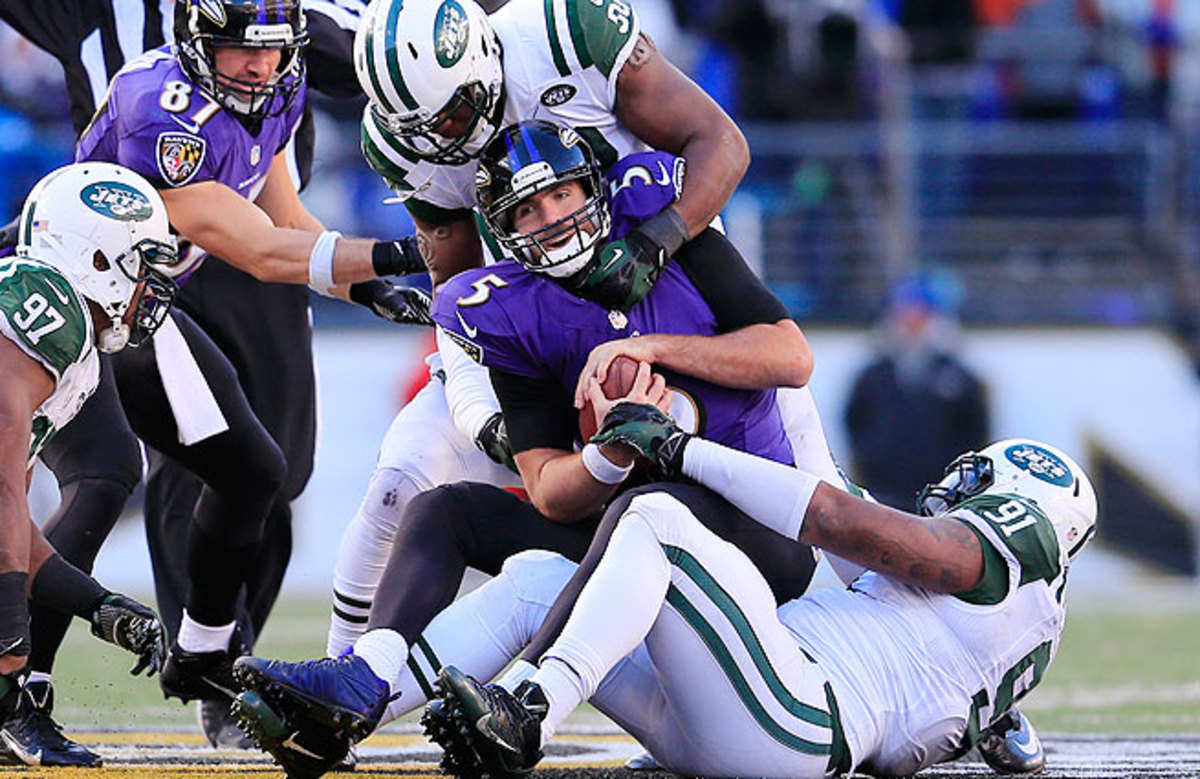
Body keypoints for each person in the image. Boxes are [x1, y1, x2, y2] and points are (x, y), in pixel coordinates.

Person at [229, 119, 834, 778]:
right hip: (632, 540)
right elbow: (546, 485)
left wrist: (650, 348)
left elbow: (791, 355)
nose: (550, 217)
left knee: (657, 505)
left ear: (594, 190)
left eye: (562, 195)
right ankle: (364, 676)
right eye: (526, 208)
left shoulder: (672, 238)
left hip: (758, 537)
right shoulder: (513, 310)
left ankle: (522, 702)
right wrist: (609, 456)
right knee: (446, 509)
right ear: (503, 229)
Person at [326, 0, 847, 656]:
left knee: (817, 483)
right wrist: (475, 409)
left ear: (484, 66)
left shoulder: (564, 34)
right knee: (402, 478)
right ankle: (341, 674)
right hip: (542, 327)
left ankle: (936, 667)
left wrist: (657, 240)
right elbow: (452, 292)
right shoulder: (409, 141)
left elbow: (721, 143)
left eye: (452, 114)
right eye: (420, 124)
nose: (441, 136)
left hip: (674, 280)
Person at [0, 0, 402, 756]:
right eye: (240, 52)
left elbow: (288, 227)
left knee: (253, 470)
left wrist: (368, 288)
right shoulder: (163, 112)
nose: (262, 67)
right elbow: (256, 250)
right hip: (72, 297)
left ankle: (204, 656)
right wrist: (401, 258)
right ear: (194, 44)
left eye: (275, 52)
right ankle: (19, 687)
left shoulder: (275, 86)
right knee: (103, 472)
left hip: (136, 301)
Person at [426, 383, 1096, 777]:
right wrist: (787, 386)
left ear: (1033, 510)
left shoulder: (1020, 543)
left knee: (660, 522)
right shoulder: (1006, 626)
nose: (957, 486)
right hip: (748, 719)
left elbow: (839, 519)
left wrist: (684, 449)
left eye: (978, 481)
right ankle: (365, 700)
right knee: (540, 578)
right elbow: (837, 493)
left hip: (794, 716)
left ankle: (530, 707)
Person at [0, 161, 174, 763]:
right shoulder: (44, 303)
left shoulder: (77, 355)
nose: (152, 285)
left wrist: (97, 606)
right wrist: (10, 656)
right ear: (97, 259)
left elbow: (13, 523)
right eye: (141, 264)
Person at [844, 274, 989, 509]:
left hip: (942, 493)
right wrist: (874, 455)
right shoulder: (873, 374)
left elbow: (975, 427)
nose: (911, 324)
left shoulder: (957, 375)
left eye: (919, 316)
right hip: (885, 490)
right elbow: (854, 420)